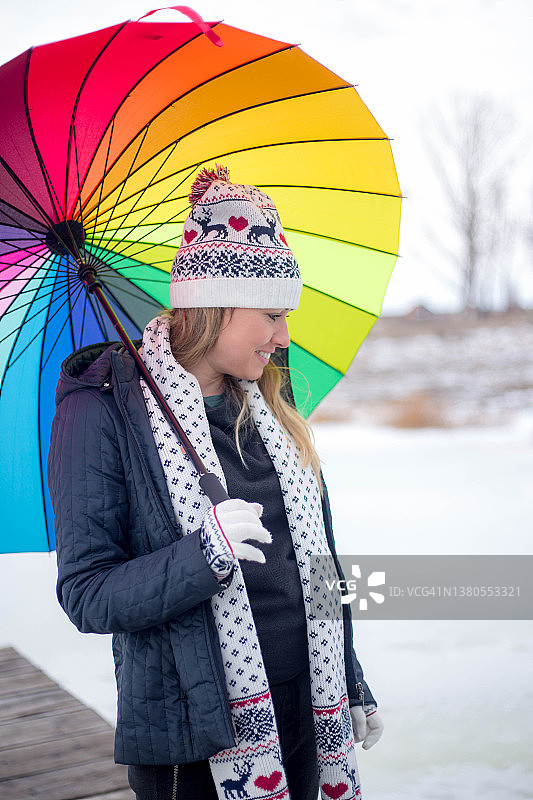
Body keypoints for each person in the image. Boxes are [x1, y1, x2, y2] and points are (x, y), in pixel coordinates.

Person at [48, 165, 383, 800]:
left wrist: (349, 676)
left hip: (310, 712)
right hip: (196, 738)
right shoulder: (101, 410)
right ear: (216, 306)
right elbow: (88, 593)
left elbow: (316, 565)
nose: (284, 337)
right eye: (272, 315)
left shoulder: (272, 407)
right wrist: (203, 555)